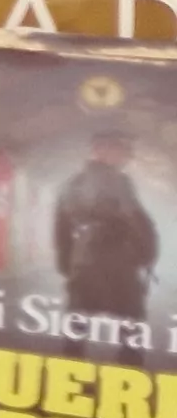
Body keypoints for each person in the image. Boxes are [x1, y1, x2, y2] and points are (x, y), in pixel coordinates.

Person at [57, 130, 158, 322]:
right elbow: (133, 219)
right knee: (131, 324)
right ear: (100, 150)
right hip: (117, 266)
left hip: (84, 266)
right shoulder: (120, 182)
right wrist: (147, 252)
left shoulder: (72, 183)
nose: (128, 154)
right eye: (122, 148)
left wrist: (68, 265)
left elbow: (61, 231)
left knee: (77, 324)